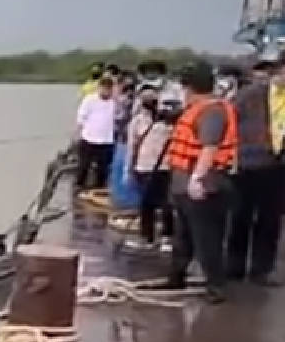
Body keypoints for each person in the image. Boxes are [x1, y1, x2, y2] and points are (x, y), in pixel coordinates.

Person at [225, 48, 285, 286]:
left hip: (281, 164)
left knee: (271, 219)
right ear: (280, 70)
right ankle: (234, 266)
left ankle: (261, 270)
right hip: (248, 163)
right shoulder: (250, 95)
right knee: (241, 215)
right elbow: (230, 124)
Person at [161, 61, 237, 301]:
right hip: (183, 185)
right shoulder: (195, 109)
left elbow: (209, 147)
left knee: (207, 239)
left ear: (189, 87)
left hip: (206, 186)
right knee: (183, 236)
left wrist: (197, 179)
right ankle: (176, 277)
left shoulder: (212, 111)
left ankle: (216, 286)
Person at [124, 85, 177, 251]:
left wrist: (128, 170)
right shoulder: (139, 121)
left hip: (161, 167)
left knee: (159, 204)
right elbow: (132, 147)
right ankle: (152, 237)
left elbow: (132, 148)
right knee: (151, 204)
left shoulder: (168, 121)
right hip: (147, 167)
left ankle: (161, 238)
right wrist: (129, 169)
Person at [73, 78, 119, 191]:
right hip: (89, 138)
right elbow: (81, 118)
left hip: (107, 140)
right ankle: (79, 187)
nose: (106, 91)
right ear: (100, 88)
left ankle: (100, 188)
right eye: (104, 88)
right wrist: (78, 134)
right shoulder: (90, 100)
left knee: (103, 168)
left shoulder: (114, 102)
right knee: (84, 166)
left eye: (109, 89)